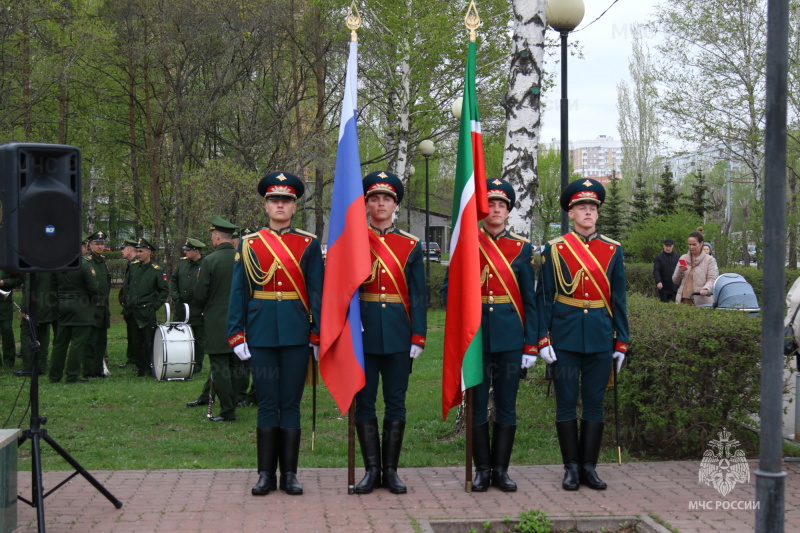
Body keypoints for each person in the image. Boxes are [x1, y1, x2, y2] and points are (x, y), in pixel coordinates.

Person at [227, 171, 323, 496]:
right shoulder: (249, 243)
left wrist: (318, 334)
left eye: (286, 200)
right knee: (268, 403)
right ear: (266, 206)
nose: (280, 205)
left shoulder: (308, 243)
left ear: (294, 207)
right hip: (261, 332)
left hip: (297, 334)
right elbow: (238, 291)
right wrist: (236, 334)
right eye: (274, 200)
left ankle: (291, 475)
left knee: (291, 403)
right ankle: (265, 475)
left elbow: (317, 292)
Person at [536, 178, 629, 491]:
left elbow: (619, 299)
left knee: (594, 403)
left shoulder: (613, 250)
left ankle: (589, 467)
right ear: (571, 213)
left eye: (592, 207)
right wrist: (542, 338)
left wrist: (622, 341)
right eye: (581, 207)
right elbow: (545, 297)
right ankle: (571, 468)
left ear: (598, 214)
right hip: (564, 335)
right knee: (565, 403)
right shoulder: (555, 248)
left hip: (601, 336)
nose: (587, 212)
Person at [451, 178, 537, 493]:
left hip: (511, 339)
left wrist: (531, 343)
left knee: (506, 405)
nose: (496, 210)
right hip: (474, 340)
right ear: (482, 209)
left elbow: (530, 300)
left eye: (502, 205)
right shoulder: (465, 242)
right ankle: (481, 470)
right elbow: (450, 290)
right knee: (475, 404)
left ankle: (501, 470)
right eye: (491, 205)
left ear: (509, 211)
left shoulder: (522, 247)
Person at [354, 171, 427, 495]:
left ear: (395, 204)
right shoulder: (354, 241)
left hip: (399, 334)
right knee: (365, 401)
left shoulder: (410, 245)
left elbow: (419, 294)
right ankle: (371, 470)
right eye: (374, 198)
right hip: (364, 334)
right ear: (367, 203)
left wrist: (418, 335)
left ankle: (391, 471)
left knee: (396, 402)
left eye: (387, 198)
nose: (380, 203)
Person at [194, 220, 240, 422]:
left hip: (217, 321)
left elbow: (200, 294)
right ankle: (235, 400)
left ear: (218, 237)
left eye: (212, 236)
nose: (212, 239)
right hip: (241, 320)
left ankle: (228, 410)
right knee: (236, 364)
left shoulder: (210, 261)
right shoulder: (244, 258)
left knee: (220, 366)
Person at [49, 249, 100, 383]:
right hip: (81, 307)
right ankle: (72, 376)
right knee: (78, 343)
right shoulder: (84, 265)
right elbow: (93, 288)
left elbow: (52, 287)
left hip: (63, 305)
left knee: (60, 343)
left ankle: (55, 375)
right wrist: (93, 301)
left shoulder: (59, 265)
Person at [125, 238, 169, 377]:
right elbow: (127, 286)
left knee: (148, 341)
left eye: (141, 251)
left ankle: (150, 366)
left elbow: (163, 291)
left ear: (149, 252)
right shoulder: (134, 267)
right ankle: (140, 367)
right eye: (137, 251)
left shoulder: (156, 270)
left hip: (146, 311)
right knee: (135, 341)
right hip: (133, 310)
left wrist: (154, 306)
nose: (138, 254)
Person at [171, 238, 206, 373]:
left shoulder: (205, 264)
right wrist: (175, 296)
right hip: (181, 306)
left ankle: (197, 365)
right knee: (179, 335)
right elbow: (174, 280)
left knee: (198, 338)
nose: (185, 252)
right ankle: (180, 360)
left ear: (196, 251)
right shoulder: (183, 263)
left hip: (197, 307)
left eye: (188, 250)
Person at [15, 272, 57, 377]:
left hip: (34, 306)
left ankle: (28, 367)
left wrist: (24, 307)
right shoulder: (52, 265)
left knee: (26, 335)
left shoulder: (33, 265)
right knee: (44, 336)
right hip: (48, 305)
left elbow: (29, 289)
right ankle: (41, 366)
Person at [83, 231, 112, 378]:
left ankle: (99, 368)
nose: (100, 246)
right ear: (90, 245)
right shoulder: (87, 261)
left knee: (101, 340)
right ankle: (89, 370)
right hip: (91, 306)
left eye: (102, 244)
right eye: (97, 244)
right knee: (91, 340)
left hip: (103, 307)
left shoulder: (102, 261)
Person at [672, 228, 718, 306]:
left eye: (694, 244)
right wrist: (680, 272)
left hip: (701, 300)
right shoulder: (683, 258)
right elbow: (675, 280)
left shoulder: (709, 260)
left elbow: (712, 279)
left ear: (701, 243)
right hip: (682, 300)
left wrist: (706, 288)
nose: (691, 247)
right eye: (689, 244)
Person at [118, 238, 140, 369]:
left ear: (130, 249)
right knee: (131, 334)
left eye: (123, 248)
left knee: (137, 335)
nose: (121, 251)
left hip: (135, 306)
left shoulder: (137, 264)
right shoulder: (131, 264)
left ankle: (138, 359)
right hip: (128, 306)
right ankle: (131, 358)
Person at [0, 268, 23, 369]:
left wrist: (4, 282)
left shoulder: (6, 261)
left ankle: (9, 362)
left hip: (4, 303)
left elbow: (19, 279)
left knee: (7, 331)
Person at [653, 238, 679, 303]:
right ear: (663, 246)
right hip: (664, 287)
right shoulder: (659, 257)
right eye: (666, 246)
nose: (668, 248)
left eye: (669, 246)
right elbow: (656, 270)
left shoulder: (677, 256)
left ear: (672, 246)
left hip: (675, 287)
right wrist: (658, 281)